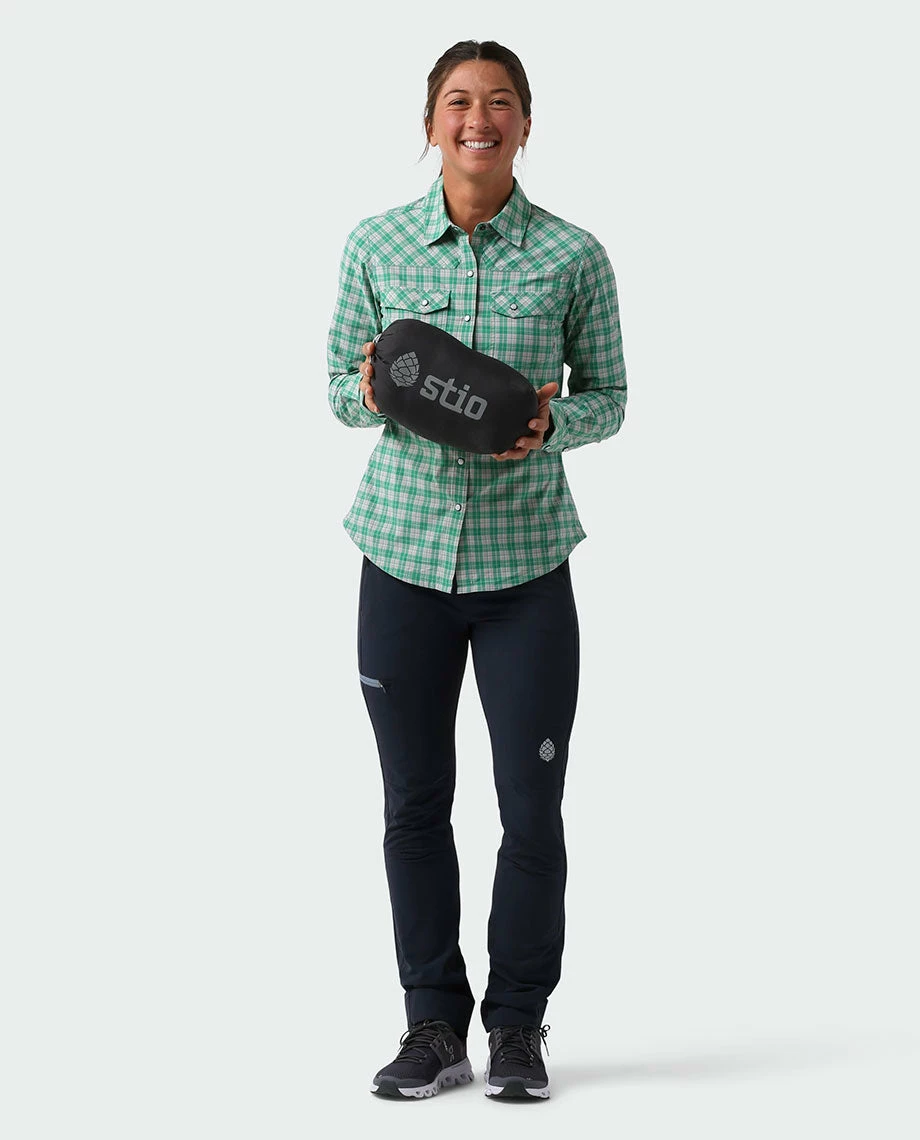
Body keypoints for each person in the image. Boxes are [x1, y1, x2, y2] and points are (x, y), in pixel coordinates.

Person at [326, 39, 627, 1100]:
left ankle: (517, 1028)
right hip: (400, 560)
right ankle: (431, 1026)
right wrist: (372, 388)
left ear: (525, 124)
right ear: (430, 123)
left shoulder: (573, 255)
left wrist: (549, 424)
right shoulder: (375, 244)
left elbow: (610, 397)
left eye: (499, 102)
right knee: (413, 803)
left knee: (529, 808)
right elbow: (336, 388)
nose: (478, 118)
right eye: (458, 101)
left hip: (525, 572)